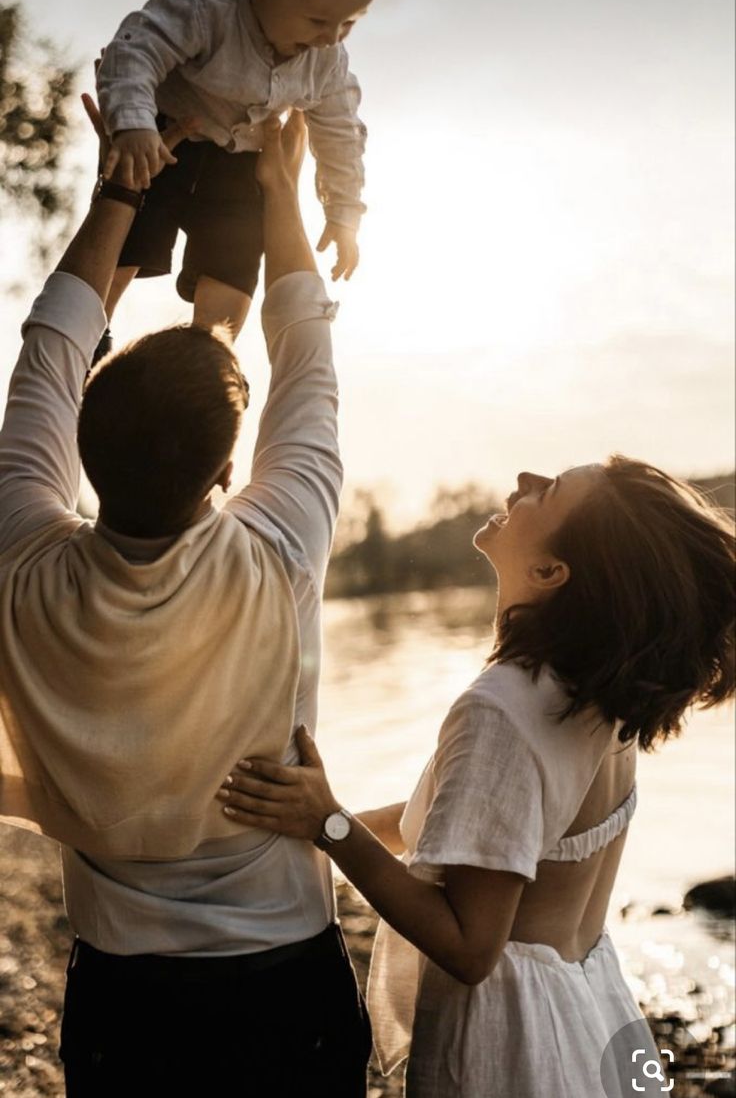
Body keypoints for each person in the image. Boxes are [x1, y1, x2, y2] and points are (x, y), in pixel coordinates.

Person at [0, 108, 371, 1095]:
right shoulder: (278, 548)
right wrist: (280, 192)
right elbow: (304, 344)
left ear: (80, 450)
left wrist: (123, 190)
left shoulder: (21, 560)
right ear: (224, 475)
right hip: (286, 982)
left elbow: (47, 349)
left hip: (124, 998)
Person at [219, 460, 736, 1097]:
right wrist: (312, 817)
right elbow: (461, 826)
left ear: (550, 572)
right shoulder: (604, 700)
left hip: (514, 1041)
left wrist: (327, 827)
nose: (524, 478)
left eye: (547, 492)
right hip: (594, 1008)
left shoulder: (503, 709)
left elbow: (469, 947)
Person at [94, 0, 380, 356]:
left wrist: (344, 213)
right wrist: (133, 124)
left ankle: (208, 355)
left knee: (235, 265)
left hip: (240, 166)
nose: (330, 38)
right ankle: (89, 329)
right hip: (166, 141)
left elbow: (342, 134)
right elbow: (134, 49)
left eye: (348, 24)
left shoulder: (325, 61)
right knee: (127, 236)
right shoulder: (204, 10)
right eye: (318, 20)